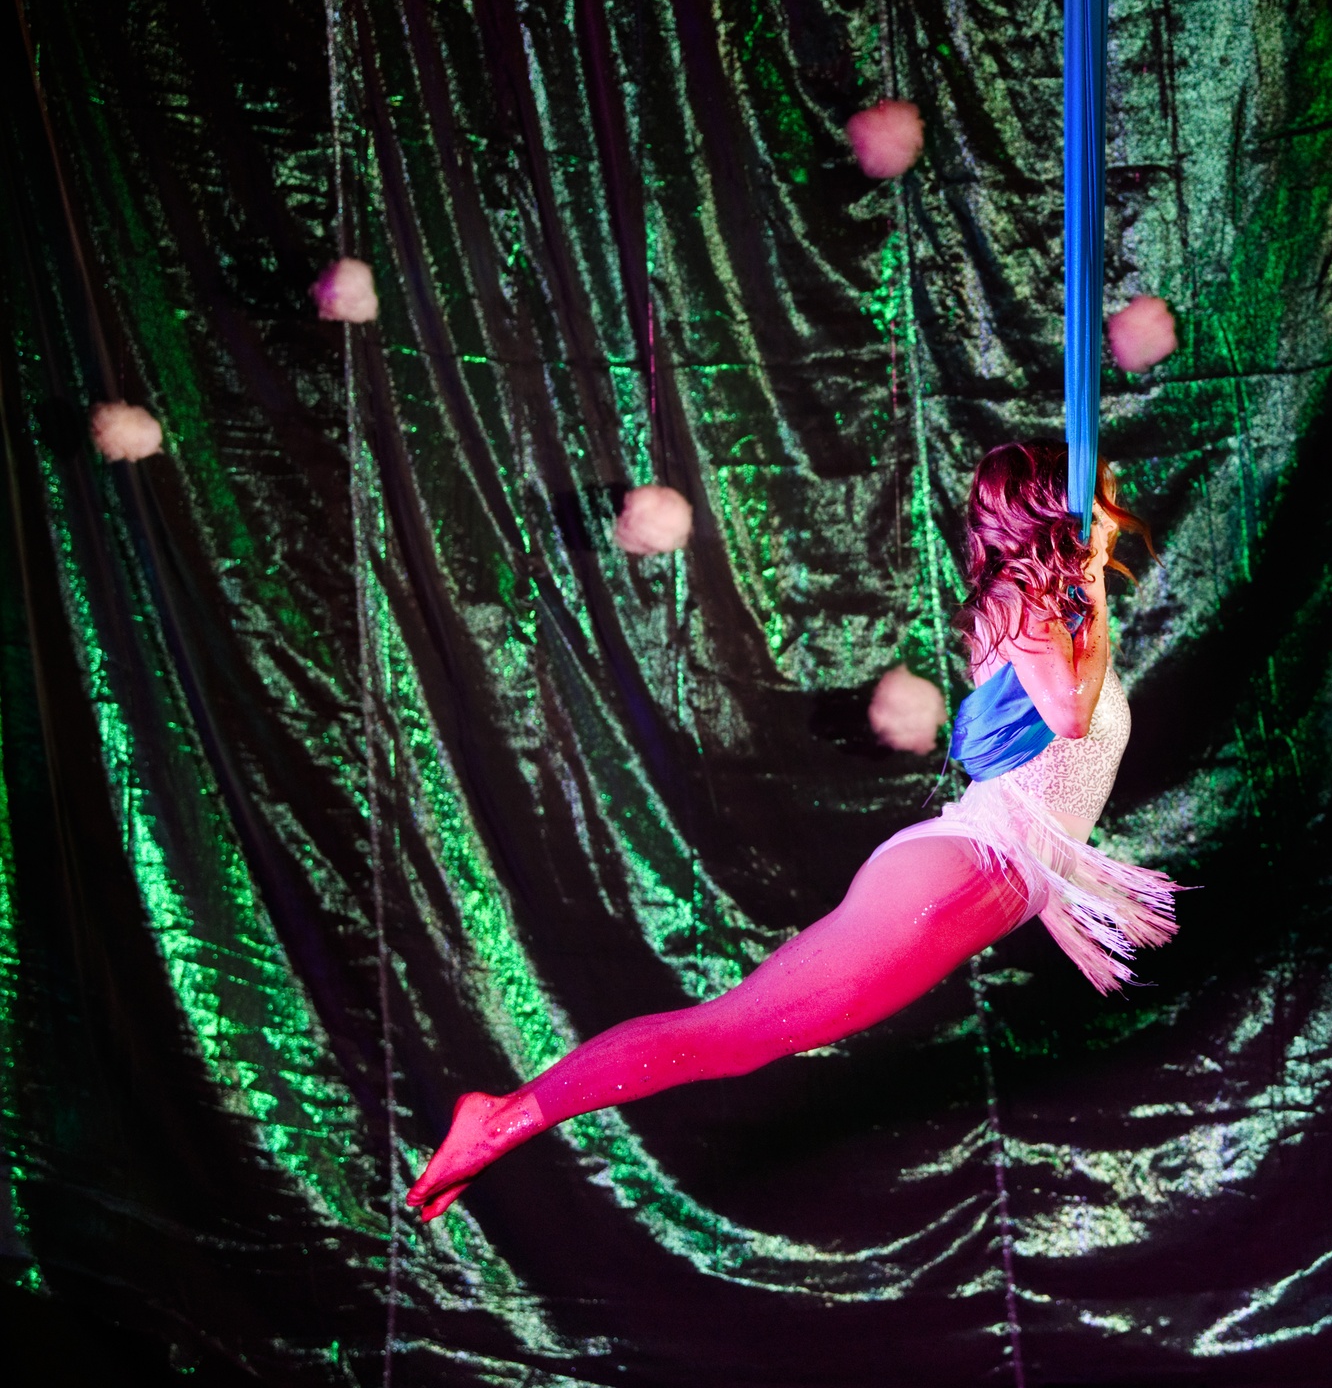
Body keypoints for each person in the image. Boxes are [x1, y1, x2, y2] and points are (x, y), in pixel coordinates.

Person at [405, 442, 1178, 1222]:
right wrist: (1087, 577)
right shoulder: (1025, 604)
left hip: (975, 880)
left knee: (735, 1038)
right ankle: (502, 1118)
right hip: (949, 880)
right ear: (1056, 510)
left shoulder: (1053, 609)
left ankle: (506, 1117)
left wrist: (1084, 584)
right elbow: (1070, 716)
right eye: (1099, 500)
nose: (1113, 517)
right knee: (730, 1036)